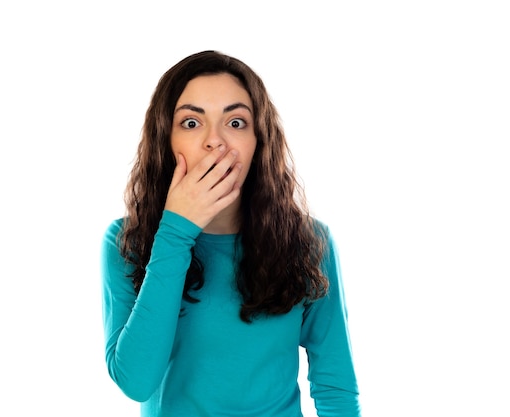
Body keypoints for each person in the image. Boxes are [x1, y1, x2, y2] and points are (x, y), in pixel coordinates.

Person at [101, 50, 361, 417]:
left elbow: (335, 385)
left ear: (259, 140)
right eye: (191, 123)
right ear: (165, 139)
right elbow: (136, 381)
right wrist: (175, 232)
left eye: (236, 123)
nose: (215, 142)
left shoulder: (310, 240)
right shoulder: (126, 241)